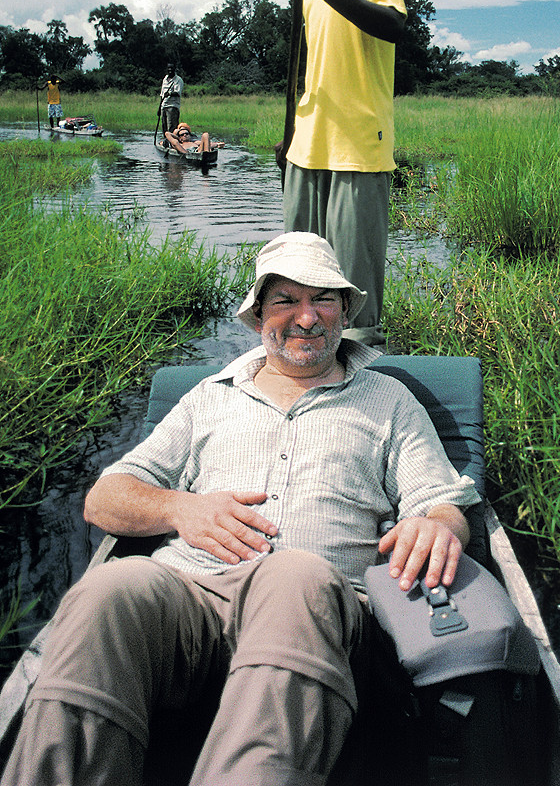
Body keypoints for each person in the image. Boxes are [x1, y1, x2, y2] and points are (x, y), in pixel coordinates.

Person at [1, 232, 479, 786]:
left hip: (314, 607)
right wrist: (181, 508)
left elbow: (441, 504)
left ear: (345, 310)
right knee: (109, 590)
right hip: (188, 599)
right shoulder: (210, 396)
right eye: (286, 301)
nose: (306, 318)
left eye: (323, 299)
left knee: (293, 574)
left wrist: (437, 527)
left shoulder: (389, 400)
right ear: (257, 318)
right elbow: (105, 498)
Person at [283, 0, 407, 347]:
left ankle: (364, 397)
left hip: (357, 144)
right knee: (296, 286)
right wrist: (291, 133)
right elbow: (312, 62)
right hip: (306, 145)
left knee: (353, 302)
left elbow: (393, 23)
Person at [158, 62, 184, 133]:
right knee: (164, 126)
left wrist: (169, 93)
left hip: (172, 106)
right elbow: (162, 95)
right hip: (164, 106)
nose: (170, 70)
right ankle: (165, 141)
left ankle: (172, 142)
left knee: (172, 127)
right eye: (168, 68)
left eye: (171, 68)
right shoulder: (165, 79)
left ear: (174, 69)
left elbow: (177, 93)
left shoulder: (178, 80)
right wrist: (159, 108)